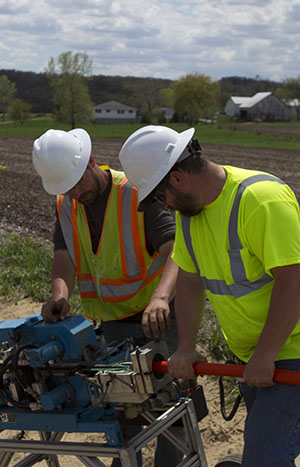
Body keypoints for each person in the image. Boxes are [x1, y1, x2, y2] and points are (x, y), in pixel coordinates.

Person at [118, 125, 300, 467]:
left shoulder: (260, 199)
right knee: (266, 450)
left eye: (158, 196)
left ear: (178, 179)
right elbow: (190, 281)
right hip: (255, 354)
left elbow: (293, 283)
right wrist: (185, 347)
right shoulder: (189, 217)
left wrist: (265, 354)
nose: (163, 206)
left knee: (263, 456)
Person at [31, 128, 182, 466]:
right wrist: (60, 294)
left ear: (91, 161)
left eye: (77, 183)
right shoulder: (66, 202)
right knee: (125, 409)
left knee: (170, 409)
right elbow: (63, 254)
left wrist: (160, 298)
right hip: (114, 324)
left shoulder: (135, 193)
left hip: (159, 317)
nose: (74, 192)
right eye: (66, 188)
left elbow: (177, 251)